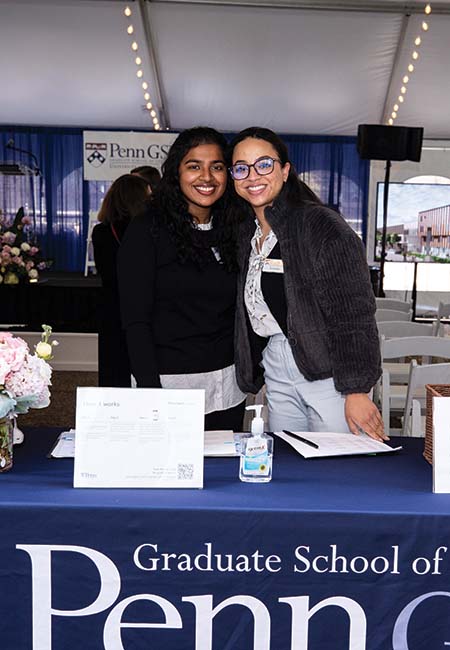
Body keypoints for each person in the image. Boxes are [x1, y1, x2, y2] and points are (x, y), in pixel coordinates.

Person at [228, 126, 386, 441]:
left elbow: (353, 311)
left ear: (285, 171)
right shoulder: (247, 233)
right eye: (241, 168)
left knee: (336, 466)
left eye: (264, 164)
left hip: (329, 369)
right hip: (277, 362)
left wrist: (356, 388)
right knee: (290, 462)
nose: (252, 176)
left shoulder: (319, 224)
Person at [118, 127, 246, 431]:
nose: (207, 177)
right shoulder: (147, 230)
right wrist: (150, 391)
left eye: (216, 167)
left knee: (225, 475)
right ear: (176, 172)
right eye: (194, 166)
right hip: (168, 386)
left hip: (227, 388)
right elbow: (135, 320)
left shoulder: (234, 228)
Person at [92, 174, 151, 387]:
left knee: (113, 365)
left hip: (112, 306)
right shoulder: (148, 230)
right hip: (143, 305)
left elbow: (104, 271)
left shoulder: (101, 231)